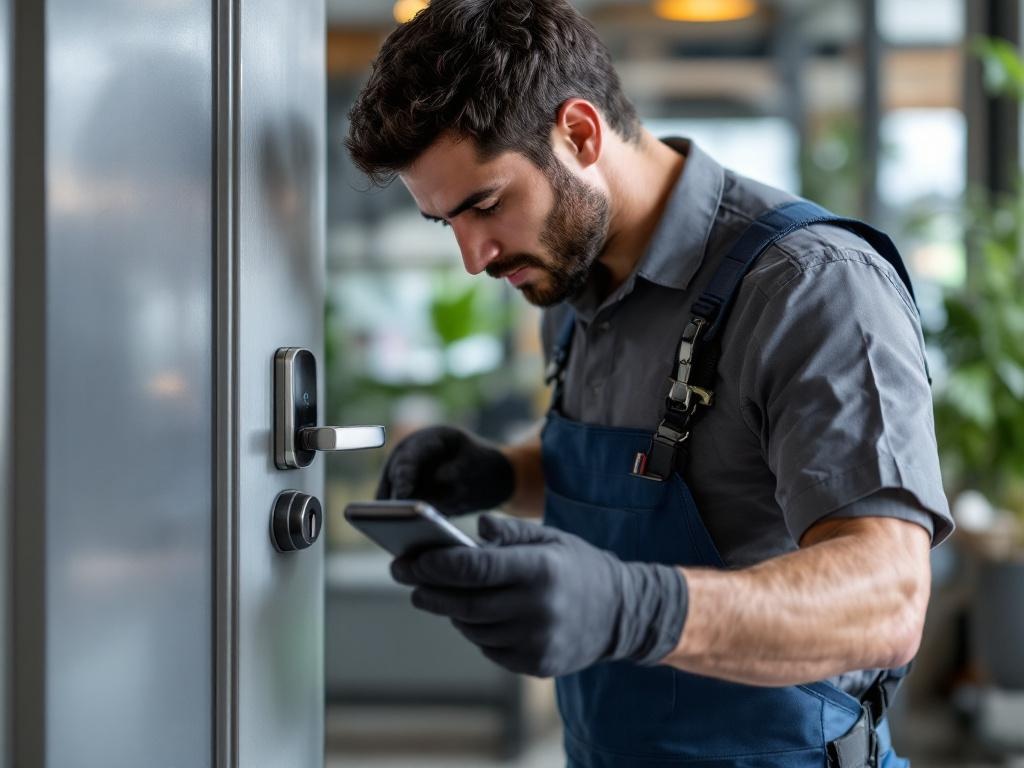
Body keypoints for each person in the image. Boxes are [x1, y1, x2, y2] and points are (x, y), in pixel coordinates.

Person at [346, 1, 953, 765]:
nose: (475, 257)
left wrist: (636, 610)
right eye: (447, 223)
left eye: (486, 204)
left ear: (579, 133)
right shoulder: (565, 280)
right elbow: (674, 475)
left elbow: (887, 599)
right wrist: (501, 472)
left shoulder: (811, 287)